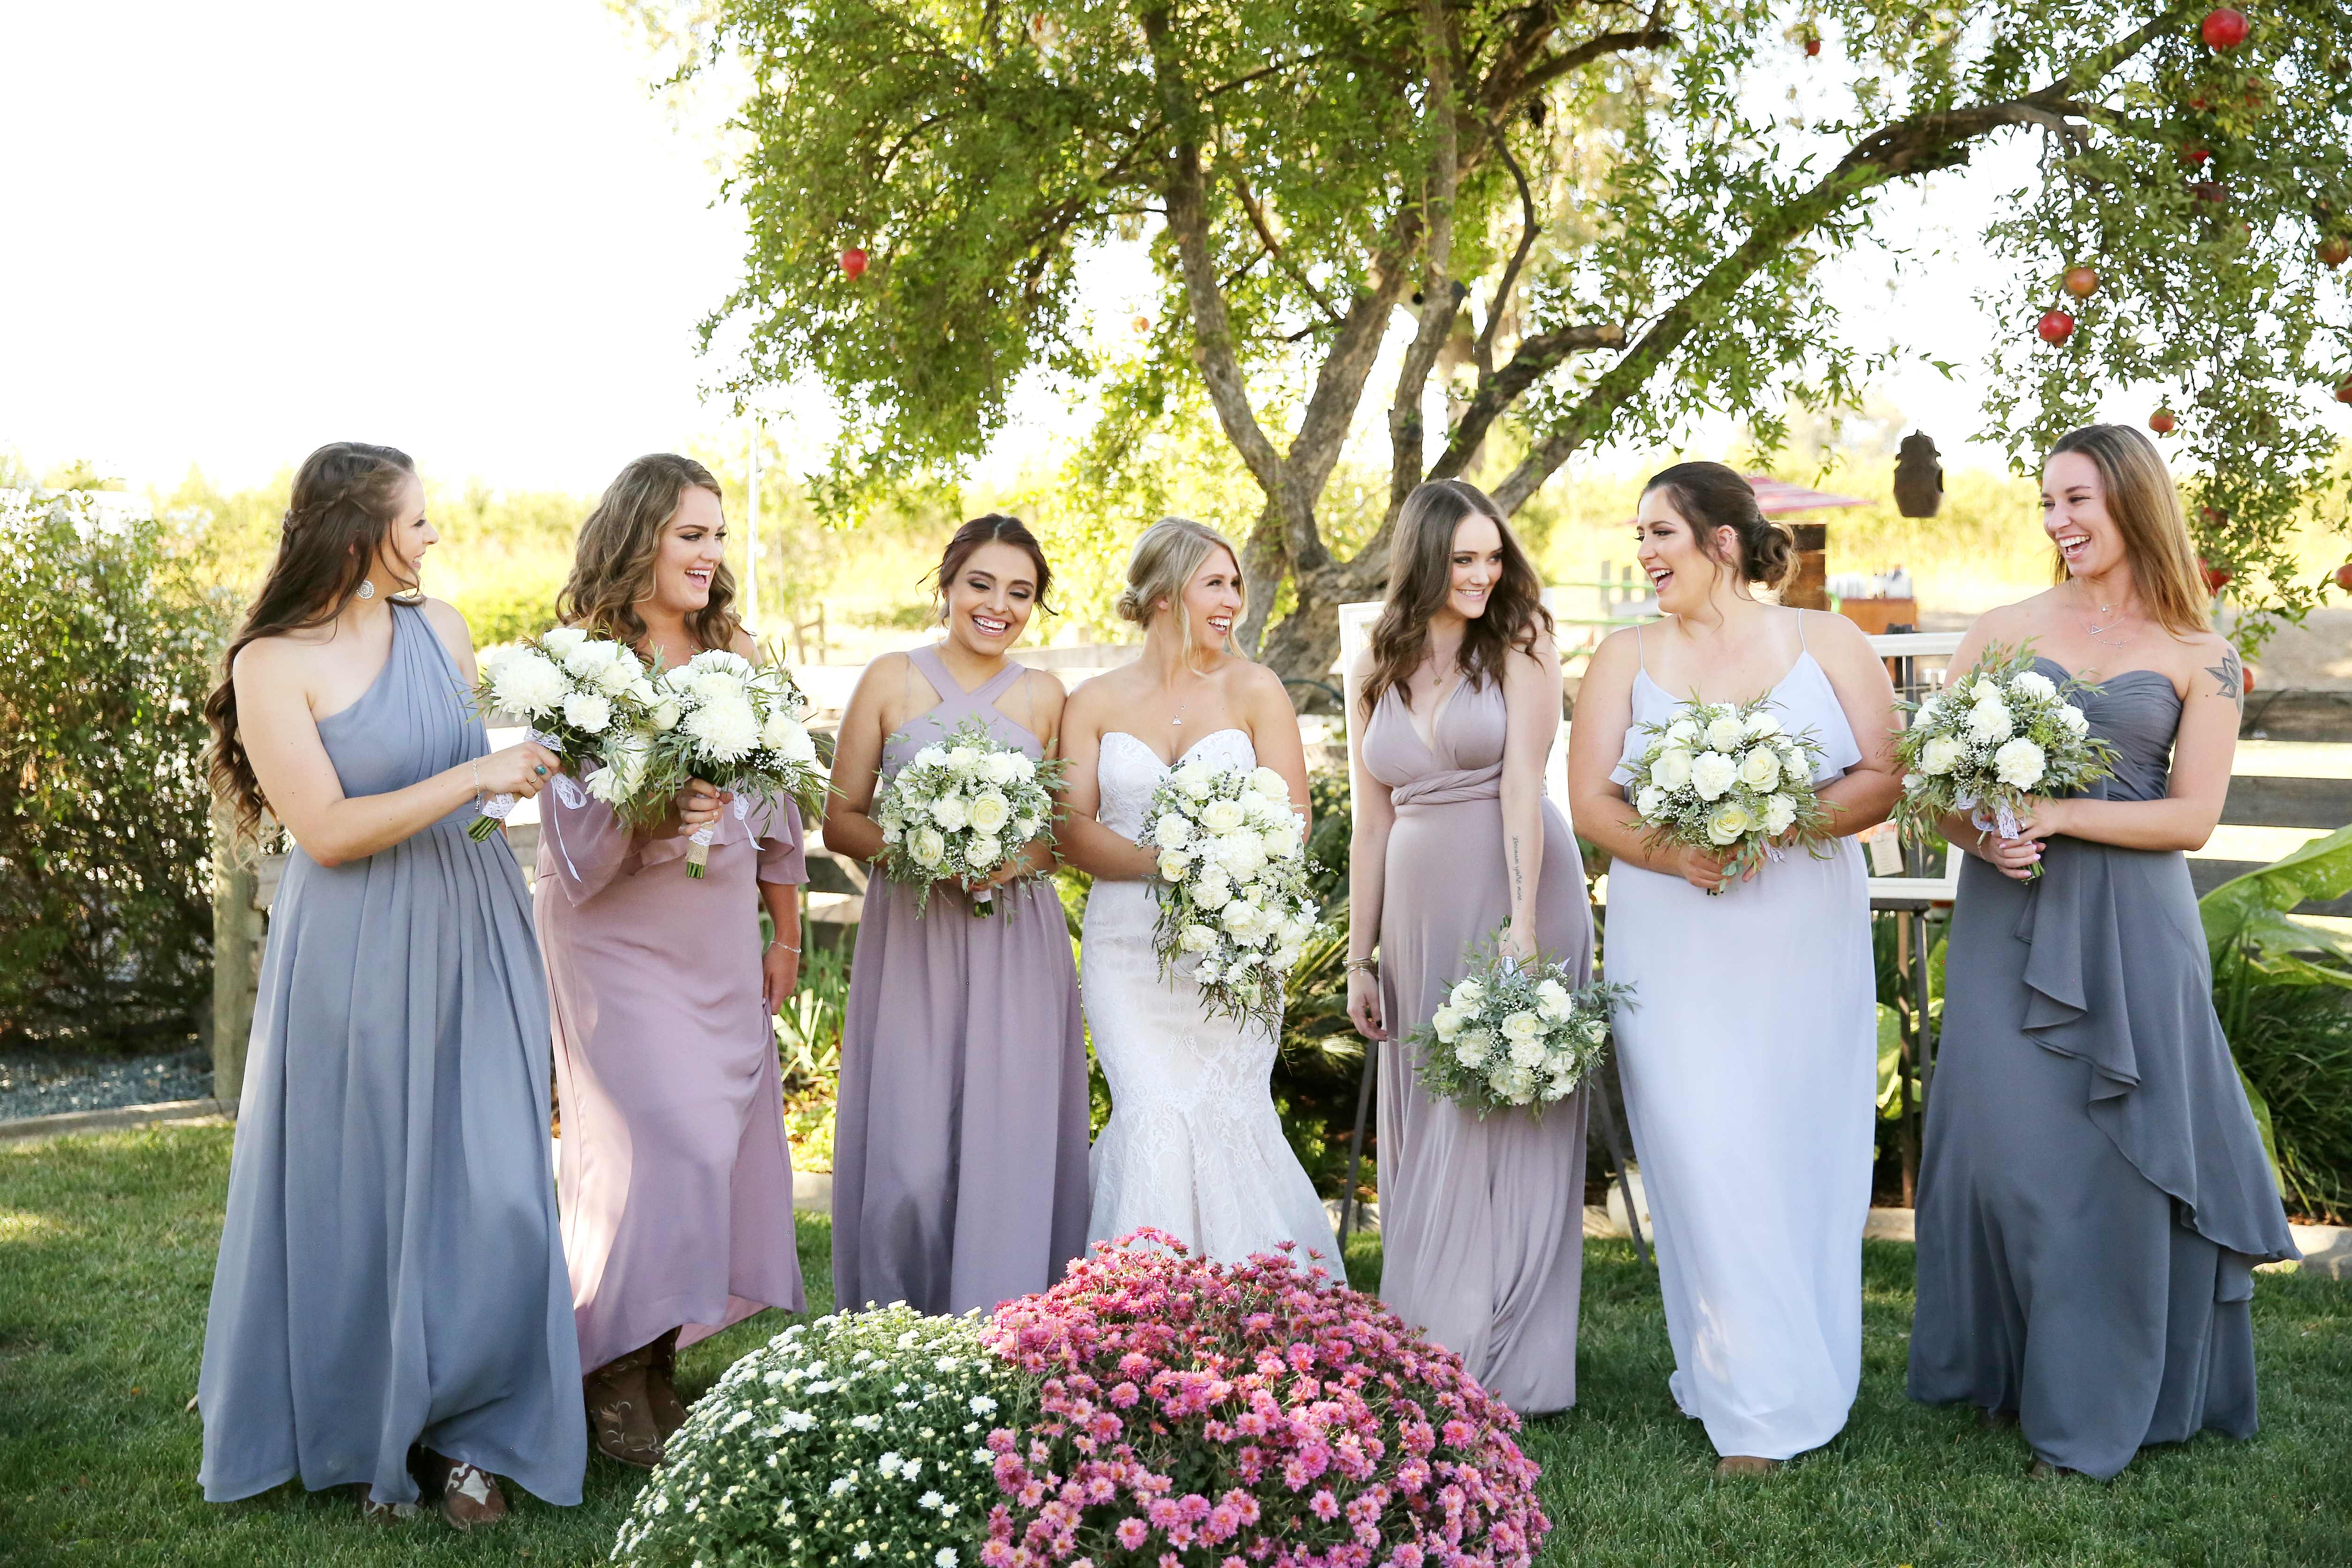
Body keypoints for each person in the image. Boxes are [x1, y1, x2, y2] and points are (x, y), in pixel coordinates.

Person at [196, 442, 582, 1527]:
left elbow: (465, 794)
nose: (432, 536)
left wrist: (525, 770)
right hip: (357, 944)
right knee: (365, 1186)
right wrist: (475, 772)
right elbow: (325, 830)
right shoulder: (271, 663)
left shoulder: (443, 628)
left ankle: (481, 1432)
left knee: (498, 1185)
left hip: (472, 923)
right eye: (416, 520)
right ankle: (375, 1427)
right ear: (358, 532)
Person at [1907, 424, 2297, 1478]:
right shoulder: (2000, 629)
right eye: (2047, 503)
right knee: (2013, 1160)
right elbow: (1933, 787)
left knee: (2119, 1172)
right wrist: (1986, 835)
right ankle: (2014, 1368)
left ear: (2133, 499)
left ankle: (2096, 1407)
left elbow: (2193, 819)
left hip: (2135, 931)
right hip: (2009, 920)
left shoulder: (2203, 651)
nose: (2058, 522)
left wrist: (2060, 813)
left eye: (2076, 499)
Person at [1565, 461, 1900, 1473]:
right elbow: (1591, 803)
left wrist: (1779, 821)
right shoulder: (1623, 656)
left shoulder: (1828, 640)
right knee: (1700, 1145)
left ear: (1720, 542)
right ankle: (1746, 1391)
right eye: (1638, 535)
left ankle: (1791, 1371)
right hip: (1673, 932)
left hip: (1800, 929)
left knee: (1796, 1143)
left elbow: (1884, 775)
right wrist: (1676, 853)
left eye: (1660, 532)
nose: (1644, 553)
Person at [534, 453, 809, 1470]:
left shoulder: (734, 648)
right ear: (639, 536)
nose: (710, 553)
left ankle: (651, 1365)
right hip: (616, 937)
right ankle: (607, 1366)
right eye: (691, 534)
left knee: (711, 1151)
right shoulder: (582, 661)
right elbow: (571, 828)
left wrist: (786, 933)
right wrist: (662, 804)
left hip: (718, 940)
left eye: (717, 535)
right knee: (663, 1147)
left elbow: (778, 807)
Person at [1343, 479, 1591, 1415]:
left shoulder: (1522, 640)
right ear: (1424, 559)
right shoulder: (1376, 657)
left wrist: (1523, 932)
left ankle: (1516, 1355)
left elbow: (1525, 784)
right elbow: (1371, 821)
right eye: (1464, 560)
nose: (1484, 575)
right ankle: (1432, 1336)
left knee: (1510, 1107)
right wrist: (1361, 955)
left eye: (1493, 557)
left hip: (1516, 886)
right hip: (1417, 909)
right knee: (1432, 1102)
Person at [826, 515, 1092, 1315]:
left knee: (1007, 1143)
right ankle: (895, 1325)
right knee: (910, 1160)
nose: (998, 606)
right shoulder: (889, 677)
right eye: (981, 584)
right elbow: (841, 820)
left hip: (1014, 938)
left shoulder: (1047, 696)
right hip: (913, 934)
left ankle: (1009, 1327)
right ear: (946, 584)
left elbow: (1060, 837)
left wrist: (1005, 862)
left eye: (1021, 593)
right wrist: (926, 855)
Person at [1061, 516, 1339, 1265]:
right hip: (1127, 952)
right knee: (1151, 1111)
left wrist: (1224, 883)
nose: (1233, 602)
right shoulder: (1093, 701)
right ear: (1164, 593)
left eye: (1235, 585)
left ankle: (1259, 1295)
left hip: (1233, 946)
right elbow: (1071, 831)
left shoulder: (1256, 688)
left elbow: (1292, 820)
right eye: (1215, 584)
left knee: (1231, 1113)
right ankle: (1141, 1301)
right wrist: (1169, 861)